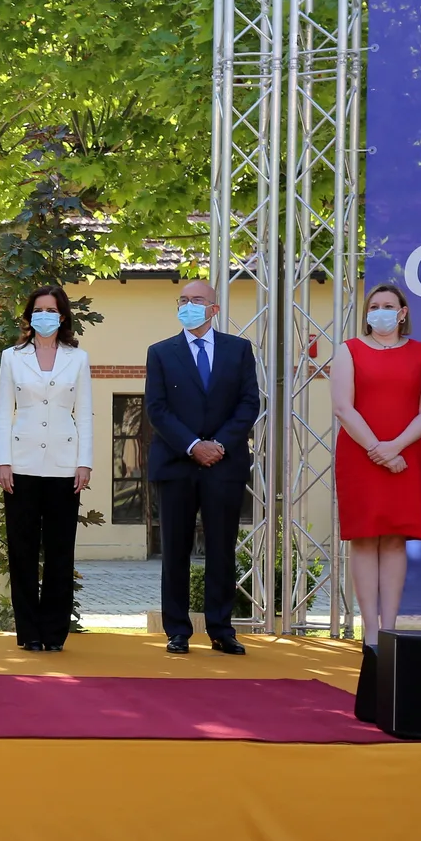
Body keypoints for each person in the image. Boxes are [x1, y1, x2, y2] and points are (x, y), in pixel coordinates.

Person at [144, 279, 261, 655]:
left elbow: (248, 404)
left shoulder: (239, 350)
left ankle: (221, 629)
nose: (188, 305)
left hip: (224, 465)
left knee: (221, 549)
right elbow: (156, 409)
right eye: (183, 300)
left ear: (214, 308)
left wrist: (219, 445)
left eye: (197, 300)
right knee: (175, 550)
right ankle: (177, 630)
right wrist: (194, 446)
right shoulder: (160, 352)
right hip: (177, 464)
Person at [331, 284, 421, 647]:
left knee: (394, 539)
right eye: (374, 306)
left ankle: (390, 629)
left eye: (388, 305)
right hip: (360, 455)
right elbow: (344, 408)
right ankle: (370, 633)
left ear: (402, 312)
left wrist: (395, 448)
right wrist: (378, 449)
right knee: (364, 539)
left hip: (406, 456)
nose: (380, 311)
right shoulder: (349, 351)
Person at [0, 286, 94, 652]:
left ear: (63, 316)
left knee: (59, 550)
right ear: (29, 315)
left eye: (52, 309)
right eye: (39, 309)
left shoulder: (77, 358)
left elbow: (84, 413)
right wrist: (2, 460)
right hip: (21, 462)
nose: (45, 315)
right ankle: (29, 632)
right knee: (21, 549)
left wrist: (85, 462)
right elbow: (4, 411)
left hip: (65, 465)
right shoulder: (12, 357)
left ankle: (54, 633)